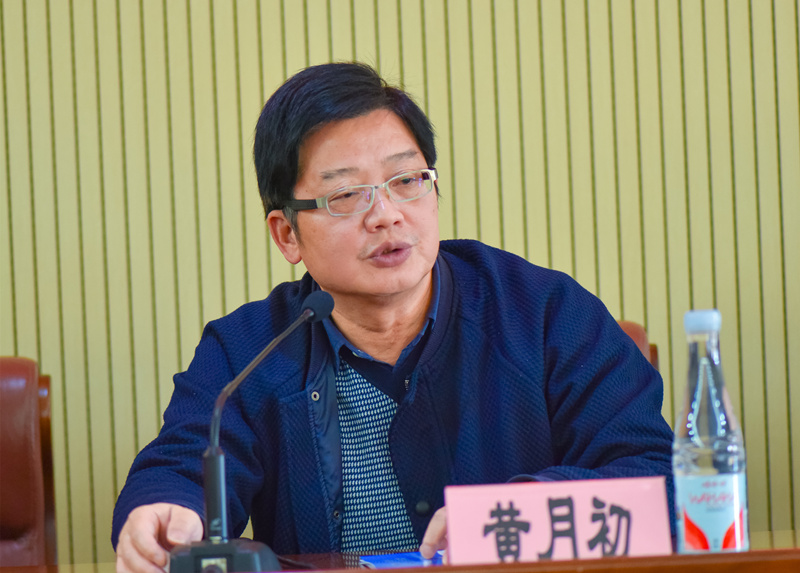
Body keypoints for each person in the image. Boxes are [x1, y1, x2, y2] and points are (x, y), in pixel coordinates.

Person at [112, 62, 674, 573]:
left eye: (406, 182)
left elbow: (655, 474)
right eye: (346, 195)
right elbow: (184, 463)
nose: (386, 215)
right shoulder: (248, 349)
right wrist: (164, 512)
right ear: (287, 235)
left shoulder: (544, 312)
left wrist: (516, 512)